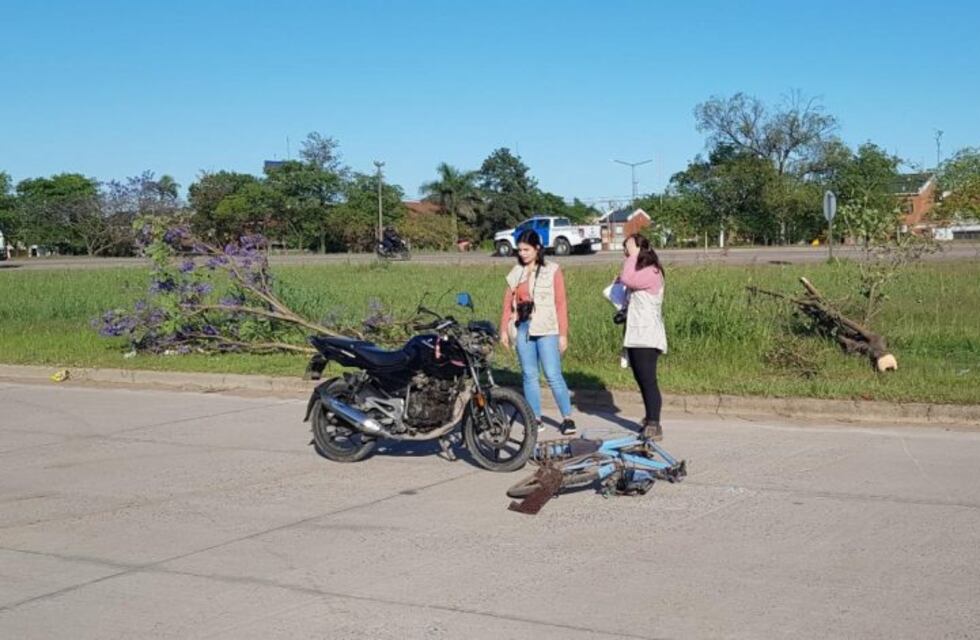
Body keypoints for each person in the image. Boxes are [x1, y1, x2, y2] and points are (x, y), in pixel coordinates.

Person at [499, 230, 576, 435]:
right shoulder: (516, 271)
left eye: (527, 249)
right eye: (520, 250)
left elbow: (561, 303)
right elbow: (507, 302)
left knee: (552, 374)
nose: (522, 253)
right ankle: (535, 418)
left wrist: (563, 334)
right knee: (529, 374)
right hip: (523, 327)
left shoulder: (552, 270)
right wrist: (503, 331)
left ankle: (567, 417)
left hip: (547, 327)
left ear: (537, 249)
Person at [618, 233, 667, 440]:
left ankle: (655, 423)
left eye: (628, 248)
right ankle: (649, 418)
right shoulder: (643, 273)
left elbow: (627, 278)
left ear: (640, 249)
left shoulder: (652, 272)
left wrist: (632, 256)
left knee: (648, 380)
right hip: (636, 334)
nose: (626, 253)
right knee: (641, 378)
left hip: (647, 335)